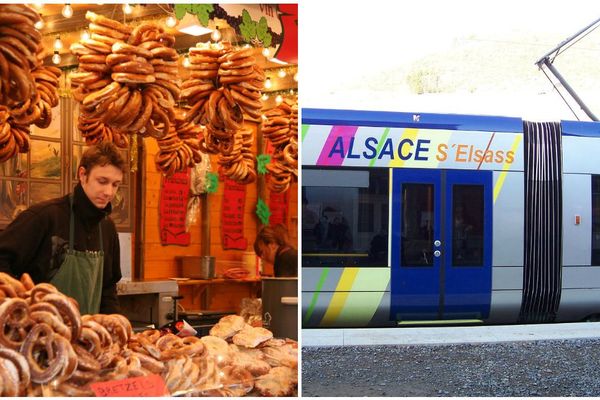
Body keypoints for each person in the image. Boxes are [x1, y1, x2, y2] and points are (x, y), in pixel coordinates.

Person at [0, 142, 126, 315]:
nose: (109, 192)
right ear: (82, 175)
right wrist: (20, 306)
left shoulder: (107, 228)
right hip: (40, 334)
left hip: (87, 337)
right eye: (102, 181)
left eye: (115, 184)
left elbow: (108, 289)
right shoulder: (44, 217)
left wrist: (112, 327)